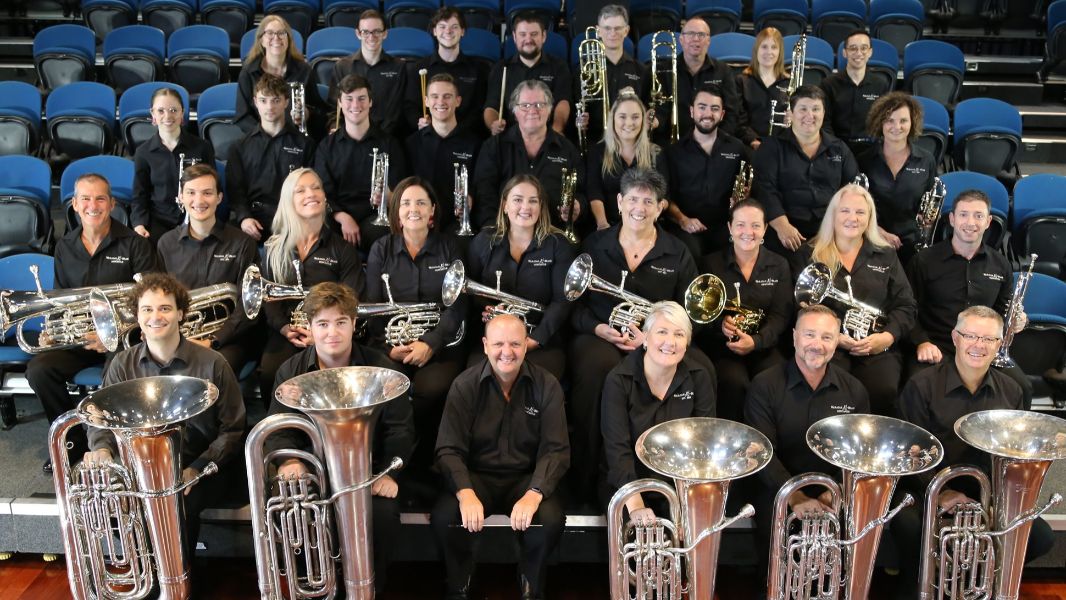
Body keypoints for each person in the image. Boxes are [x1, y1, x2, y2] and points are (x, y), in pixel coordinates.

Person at [892, 305, 1054, 600]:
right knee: (909, 527)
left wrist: (996, 502)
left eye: (989, 339)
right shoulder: (922, 386)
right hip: (928, 491)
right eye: (971, 336)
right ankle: (920, 587)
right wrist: (941, 494)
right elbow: (907, 455)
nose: (979, 346)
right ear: (955, 338)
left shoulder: (1012, 391)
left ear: (1000, 343)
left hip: (985, 497)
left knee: (1041, 537)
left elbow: (1015, 457)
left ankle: (975, 581)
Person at [82, 273, 246, 562]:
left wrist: (197, 468)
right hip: (141, 463)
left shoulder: (212, 363)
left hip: (201, 465)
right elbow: (100, 417)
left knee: (177, 502)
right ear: (137, 315)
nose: (155, 316)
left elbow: (232, 429)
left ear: (181, 313)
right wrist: (102, 448)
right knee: (111, 503)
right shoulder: (122, 363)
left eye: (164, 308)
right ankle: (149, 568)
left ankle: (176, 578)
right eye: (147, 309)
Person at [568, 168, 709, 500]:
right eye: (633, 199)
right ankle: (588, 480)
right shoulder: (595, 244)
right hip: (602, 336)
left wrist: (652, 339)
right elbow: (572, 304)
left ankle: (686, 481)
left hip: (658, 342)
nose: (639, 208)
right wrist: (598, 327)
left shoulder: (678, 252)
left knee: (704, 371)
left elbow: (690, 314)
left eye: (648, 201)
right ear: (619, 202)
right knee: (594, 372)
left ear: (661, 207)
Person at [267, 282, 416, 594]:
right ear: (308, 327)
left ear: (353, 324)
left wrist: (390, 472)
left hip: (368, 476)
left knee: (383, 518)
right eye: (322, 324)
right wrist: (291, 461)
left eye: (340, 322)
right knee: (294, 512)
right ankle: (317, 587)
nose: (331, 332)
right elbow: (278, 430)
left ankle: (368, 590)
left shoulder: (380, 368)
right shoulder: (290, 372)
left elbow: (400, 429)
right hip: (314, 476)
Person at [431, 313, 569, 600]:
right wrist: (465, 492)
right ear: (484, 345)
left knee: (551, 519)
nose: (507, 352)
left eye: (515, 344)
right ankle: (460, 581)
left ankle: (531, 579)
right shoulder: (464, 385)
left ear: (526, 345)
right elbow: (448, 449)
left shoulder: (547, 385)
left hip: (525, 479)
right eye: (499, 344)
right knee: (445, 516)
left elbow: (556, 449)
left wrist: (535, 492)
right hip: (476, 478)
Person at [28, 173, 158, 474]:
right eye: (85, 198)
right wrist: (54, 331)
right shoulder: (64, 246)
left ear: (111, 204)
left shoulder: (135, 245)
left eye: (100, 198)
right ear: (74, 204)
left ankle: (111, 446)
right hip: (81, 338)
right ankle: (71, 442)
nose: (92, 205)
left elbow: (150, 304)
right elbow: (61, 300)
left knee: (115, 372)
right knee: (39, 370)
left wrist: (113, 334)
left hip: (125, 339)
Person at [743, 304, 870, 576]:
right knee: (773, 531)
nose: (817, 345)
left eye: (827, 337)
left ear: (837, 341)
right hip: (777, 486)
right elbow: (762, 454)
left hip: (833, 488)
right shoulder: (764, 386)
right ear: (794, 337)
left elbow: (859, 453)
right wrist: (795, 496)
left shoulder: (854, 390)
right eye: (809, 335)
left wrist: (836, 491)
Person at [364, 176, 467, 470]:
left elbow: (458, 305)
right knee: (389, 386)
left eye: (421, 202)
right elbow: (373, 308)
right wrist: (387, 347)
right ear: (396, 211)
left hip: (441, 346)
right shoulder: (380, 250)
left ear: (432, 210)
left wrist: (430, 344)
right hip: (391, 346)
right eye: (406, 203)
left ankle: (423, 464)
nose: (414, 209)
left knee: (430, 389)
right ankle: (389, 465)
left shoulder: (450, 248)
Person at [792, 184, 917, 415]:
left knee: (883, 388)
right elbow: (799, 307)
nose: (853, 218)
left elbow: (906, 305)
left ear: (870, 218)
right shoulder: (809, 253)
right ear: (833, 215)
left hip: (876, 345)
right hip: (827, 346)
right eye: (845, 211)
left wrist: (886, 337)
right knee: (832, 391)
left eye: (860, 212)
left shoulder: (885, 254)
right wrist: (834, 338)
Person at [905, 189, 1032, 404]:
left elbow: (1004, 312)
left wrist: (1019, 321)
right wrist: (922, 342)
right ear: (952, 219)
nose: (970, 222)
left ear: (988, 221)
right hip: (938, 346)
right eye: (963, 214)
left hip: (982, 348)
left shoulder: (1000, 265)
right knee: (916, 384)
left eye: (978, 216)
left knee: (1022, 387)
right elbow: (908, 309)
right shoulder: (924, 261)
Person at [257, 168, 364, 407]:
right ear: (289, 200)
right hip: (288, 332)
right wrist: (285, 328)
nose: (311, 194)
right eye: (301, 190)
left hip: (329, 332)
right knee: (270, 372)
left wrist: (321, 333)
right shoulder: (274, 249)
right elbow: (269, 299)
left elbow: (351, 301)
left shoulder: (342, 250)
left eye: (316, 187)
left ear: (325, 197)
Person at [599, 301, 715, 511]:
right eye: (662, 332)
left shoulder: (699, 378)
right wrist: (634, 503)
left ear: (687, 343)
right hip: (627, 481)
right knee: (635, 535)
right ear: (645, 338)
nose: (670, 342)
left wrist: (685, 503)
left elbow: (703, 444)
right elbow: (617, 450)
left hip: (678, 483)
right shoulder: (618, 380)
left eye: (679, 335)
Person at [466, 175, 576, 380]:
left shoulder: (557, 245)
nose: (525, 206)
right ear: (505, 205)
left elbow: (562, 302)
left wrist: (535, 339)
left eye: (533, 200)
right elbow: (470, 290)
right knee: (478, 380)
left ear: (541, 206)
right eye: (517, 199)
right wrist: (486, 307)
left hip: (542, 339)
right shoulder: (484, 242)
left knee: (537, 383)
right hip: (494, 339)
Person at [157, 163, 259, 372]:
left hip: (230, 339)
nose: (199, 201)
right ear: (181, 197)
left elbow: (249, 306)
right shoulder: (166, 244)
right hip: (180, 336)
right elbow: (160, 299)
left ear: (219, 198)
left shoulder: (242, 244)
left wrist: (214, 340)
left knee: (210, 368)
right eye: (191, 193)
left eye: (207, 193)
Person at [697, 199, 791, 422]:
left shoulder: (779, 265)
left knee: (773, 377)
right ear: (730, 228)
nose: (748, 232)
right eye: (740, 225)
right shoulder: (710, 264)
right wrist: (720, 325)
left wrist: (756, 341)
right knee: (732, 382)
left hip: (765, 344)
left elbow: (781, 315)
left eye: (756, 225)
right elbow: (701, 313)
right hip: (725, 347)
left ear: (765, 229)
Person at [752, 85, 859, 254]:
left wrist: (836, 229)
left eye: (816, 109)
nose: (810, 115)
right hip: (784, 232)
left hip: (829, 231)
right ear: (791, 113)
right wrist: (782, 226)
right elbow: (765, 190)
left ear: (824, 113)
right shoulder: (771, 147)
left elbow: (853, 191)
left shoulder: (839, 149)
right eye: (803, 109)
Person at [314, 74, 408, 251]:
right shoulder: (326, 147)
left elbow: (400, 190)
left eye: (361, 99)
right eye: (348, 99)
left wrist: (388, 197)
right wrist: (343, 217)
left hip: (375, 217)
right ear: (340, 103)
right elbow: (322, 191)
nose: (355, 105)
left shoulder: (389, 144)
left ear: (371, 102)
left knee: (385, 234)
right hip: (337, 218)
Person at [473, 79, 584, 230]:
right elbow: (484, 195)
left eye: (540, 105)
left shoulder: (568, 149)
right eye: (525, 105)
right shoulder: (493, 147)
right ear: (514, 110)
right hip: (504, 232)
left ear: (550, 109)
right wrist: (495, 231)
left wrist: (577, 206)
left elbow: (582, 193)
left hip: (554, 234)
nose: (532, 110)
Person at [226, 72, 315, 243]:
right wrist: (244, 218)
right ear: (255, 102)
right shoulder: (239, 147)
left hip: (292, 217)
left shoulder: (306, 145)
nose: (269, 107)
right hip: (253, 218)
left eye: (276, 100)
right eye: (263, 100)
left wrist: (297, 219)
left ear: (286, 103)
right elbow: (236, 191)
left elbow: (309, 188)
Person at [665, 83, 751, 257]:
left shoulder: (737, 148)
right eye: (702, 107)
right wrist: (683, 220)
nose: (708, 114)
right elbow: (665, 196)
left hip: (725, 226)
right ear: (692, 111)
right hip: (686, 226)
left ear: (722, 114)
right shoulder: (673, 152)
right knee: (691, 253)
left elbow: (749, 189)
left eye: (714, 108)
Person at [857, 91, 937, 265]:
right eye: (889, 120)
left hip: (911, 246)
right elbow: (856, 205)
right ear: (880, 123)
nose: (897, 127)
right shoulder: (864, 160)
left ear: (912, 122)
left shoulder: (927, 160)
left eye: (903, 121)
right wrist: (876, 231)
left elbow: (928, 208)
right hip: (871, 241)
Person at [131, 87, 215, 241]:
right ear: (153, 114)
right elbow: (139, 195)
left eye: (173, 110)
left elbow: (214, 187)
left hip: (197, 216)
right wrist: (139, 224)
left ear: (182, 112)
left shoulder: (202, 147)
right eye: (161, 110)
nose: (168, 116)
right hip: (159, 220)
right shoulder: (143, 152)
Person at [404, 74, 481, 235]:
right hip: (420, 221)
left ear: (458, 101)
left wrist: (471, 197)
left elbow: (481, 184)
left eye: (447, 96)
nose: (440, 102)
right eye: (434, 96)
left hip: (458, 224)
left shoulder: (475, 144)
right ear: (426, 101)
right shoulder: (411, 144)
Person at [585, 87, 666, 231]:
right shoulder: (597, 152)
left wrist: (646, 223)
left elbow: (664, 197)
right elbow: (594, 192)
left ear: (643, 120)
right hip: (607, 226)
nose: (629, 123)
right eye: (622, 117)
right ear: (613, 118)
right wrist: (603, 224)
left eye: (635, 117)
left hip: (646, 226)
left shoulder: (656, 153)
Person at [654, 16, 745, 143]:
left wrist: (718, 142)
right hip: (672, 146)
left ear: (708, 40)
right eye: (690, 34)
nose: (696, 39)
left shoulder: (723, 71)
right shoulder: (663, 71)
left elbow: (732, 113)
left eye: (701, 35)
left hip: (714, 145)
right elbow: (660, 109)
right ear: (681, 39)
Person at [482, 11, 572, 136]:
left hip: (548, 135)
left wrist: (556, 129)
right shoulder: (501, 68)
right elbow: (491, 107)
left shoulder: (559, 66)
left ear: (544, 36)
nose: (528, 39)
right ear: (514, 37)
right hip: (509, 137)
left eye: (534, 34)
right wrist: (494, 124)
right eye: (522, 34)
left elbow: (563, 102)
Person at [574, 5, 650, 150]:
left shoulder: (641, 70)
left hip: (632, 144)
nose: (612, 33)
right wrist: (580, 121)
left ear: (626, 31)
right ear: (598, 31)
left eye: (618, 28)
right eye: (607, 28)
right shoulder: (583, 70)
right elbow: (577, 106)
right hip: (595, 144)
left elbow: (646, 108)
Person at [403, 7, 488, 137]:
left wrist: (456, 130)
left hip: (466, 138)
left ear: (462, 31)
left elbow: (478, 109)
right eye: (442, 27)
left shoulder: (478, 69)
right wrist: (419, 122)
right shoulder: (418, 69)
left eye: (454, 27)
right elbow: (410, 106)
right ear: (434, 31)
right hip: (428, 136)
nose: (448, 31)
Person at [234, 15, 321, 136]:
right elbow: (242, 117)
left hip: (295, 138)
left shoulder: (304, 70)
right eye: (270, 33)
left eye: (282, 33)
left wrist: (306, 114)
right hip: (261, 138)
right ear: (261, 40)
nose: (276, 38)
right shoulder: (248, 72)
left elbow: (319, 109)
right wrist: (266, 135)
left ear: (288, 39)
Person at [328, 9, 408, 137]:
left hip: (387, 137)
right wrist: (335, 127)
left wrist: (379, 138)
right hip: (350, 137)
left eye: (377, 31)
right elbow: (334, 108)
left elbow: (396, 111)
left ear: (385, 33)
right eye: (365, 32)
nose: (371, 37)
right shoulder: (342, 66)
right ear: (358, 34)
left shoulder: (398, 66)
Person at [820, 29, 892, 155]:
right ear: (844, 53)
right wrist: (835, 147)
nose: (859, 53)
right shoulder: (828, 84)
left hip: (871, 150)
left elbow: (884, 121)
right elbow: (824, 122)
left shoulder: (881, 85)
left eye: (864, 48)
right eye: (853, 48)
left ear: (870, 52)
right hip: (837, 149)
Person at [735, 27, 790, 149]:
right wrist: (754, 141)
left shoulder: (790, 83)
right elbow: (739, 120)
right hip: (748, 146)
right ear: (756, 50)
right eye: (764, 46)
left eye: (774, 47)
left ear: (780, 52)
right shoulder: (741, 81)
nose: (769, 52)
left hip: (782, 147)